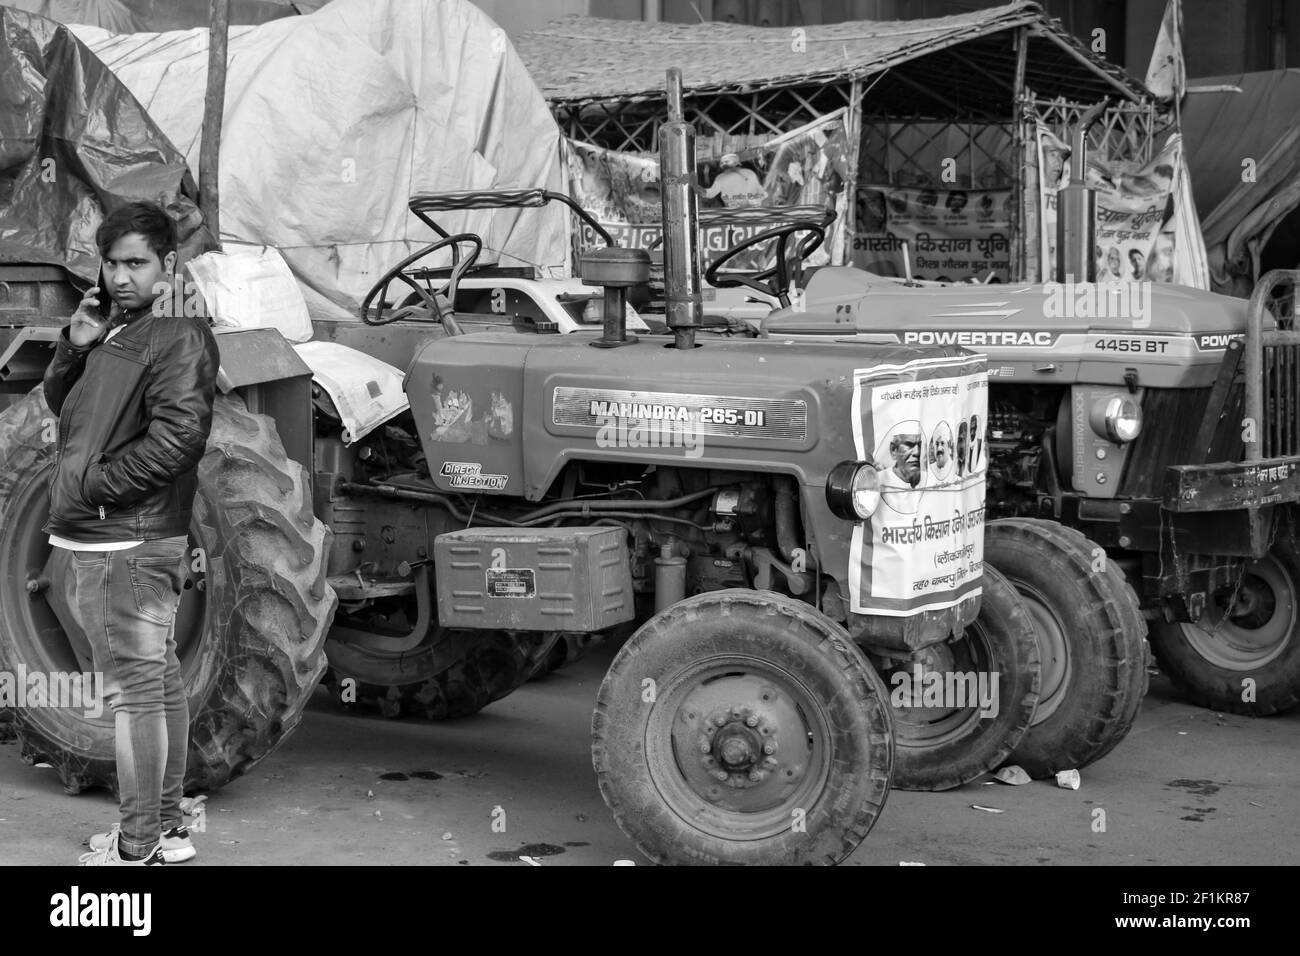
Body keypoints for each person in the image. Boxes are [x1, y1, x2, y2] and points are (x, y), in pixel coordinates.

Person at [43, 201, 219, 865]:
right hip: (116, 536)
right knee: (159, 680)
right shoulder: (121, 329)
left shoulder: (177, 335)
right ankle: (167, 829)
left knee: (136, 694)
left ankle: (137, 845)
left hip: (126, 540)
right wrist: (76, 344)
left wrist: (95, 489)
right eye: (112, 263)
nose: (121, 277)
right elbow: (71, 409)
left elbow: (179, 438)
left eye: (136, 263)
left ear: (168, 265)